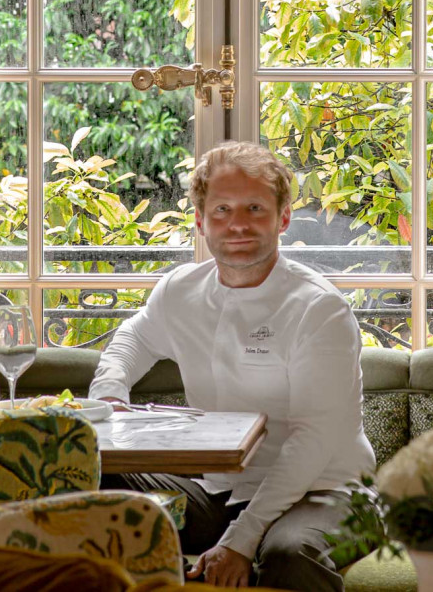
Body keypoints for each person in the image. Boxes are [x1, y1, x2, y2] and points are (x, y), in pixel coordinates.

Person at [89, 141, 376, 591]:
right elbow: (132, 339)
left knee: (287, 554)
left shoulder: (319, 308)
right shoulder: (179, 290)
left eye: (254, 208)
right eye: (221, 209)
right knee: (85, 473)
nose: (237, 224)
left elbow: (314, 440)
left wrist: (240, 542)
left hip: (327, 491)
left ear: (282, 218)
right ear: (200, 221)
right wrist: (108, 395)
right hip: (219, 492)